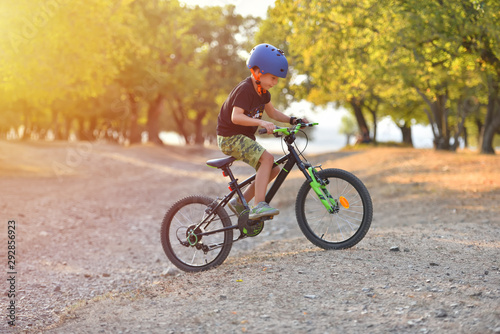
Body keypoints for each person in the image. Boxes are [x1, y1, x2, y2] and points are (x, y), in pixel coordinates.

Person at [216, 43, 308, 220]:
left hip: (242, 137)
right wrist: (261, 122)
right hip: (230, 138)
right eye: (273, 78)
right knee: (268, 158)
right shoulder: (245, 89)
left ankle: (239, 202)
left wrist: (293, 120)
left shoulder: (263, 92)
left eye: (277, 79)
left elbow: (273, 113)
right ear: (258, 71)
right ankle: (259, 206)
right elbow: (236, 117)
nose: (275, 83)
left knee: (273, 169)